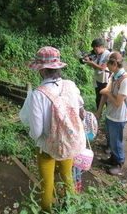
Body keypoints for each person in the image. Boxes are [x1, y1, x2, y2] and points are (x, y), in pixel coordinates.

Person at [27, 46, 84, 213]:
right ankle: (71, 208)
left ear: (42, 70)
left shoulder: (38, 95)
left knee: (47, 183)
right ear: (58, 67)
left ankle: (46, 211)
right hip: (68, 142)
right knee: (68, 177)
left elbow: (37, 131)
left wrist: (33, 137)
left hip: (46, 147)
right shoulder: (70, 86)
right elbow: (79, 106)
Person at [95, 52, 127, 175]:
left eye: (108, 64)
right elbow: (105, 93)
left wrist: (107, 93)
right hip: (110, 114)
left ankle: (119, 162)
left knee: (116, 142)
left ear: (115, 64)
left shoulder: (126, 80)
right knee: (111, 140)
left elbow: (118, 102)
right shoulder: (114, 76)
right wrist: (99, 111)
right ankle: (113, 158)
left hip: (119, 116)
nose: (106, 66)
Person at [84, 38, 111, 109]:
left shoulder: (107, 54)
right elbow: (95, 68)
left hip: (105, 79)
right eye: (94, 49)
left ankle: (108, 113)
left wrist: (91, 62)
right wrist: (89, 62)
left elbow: (102, 68)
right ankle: (99, 113)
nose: (95, 51)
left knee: (106, 97)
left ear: (102, 47)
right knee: (98, 97)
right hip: (97, 78)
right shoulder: (96, 54)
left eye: (96, 49)